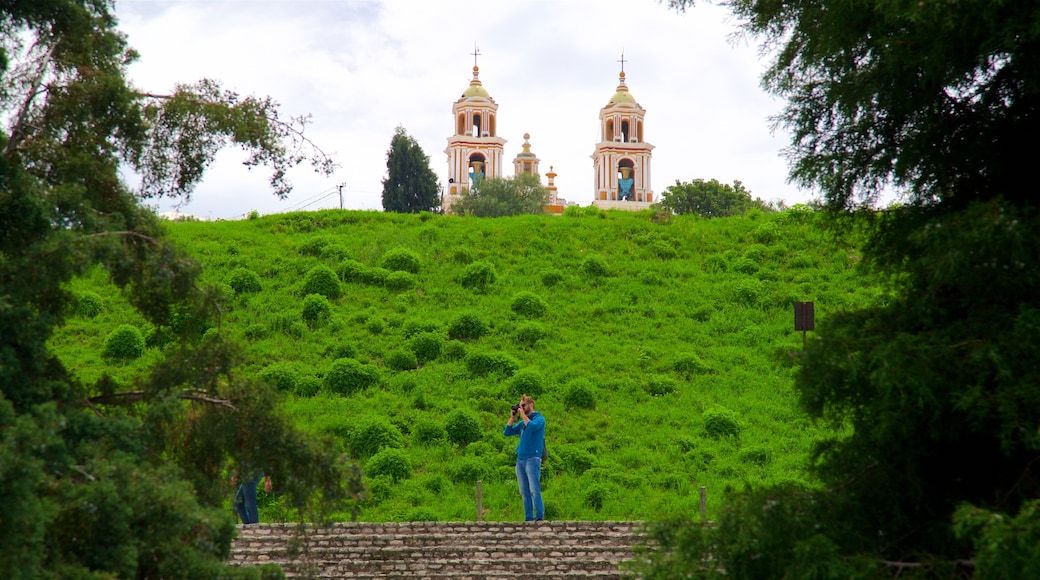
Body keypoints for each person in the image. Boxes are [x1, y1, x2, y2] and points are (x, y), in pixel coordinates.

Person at [503, 394, 545, 521]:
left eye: (523, 405)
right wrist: (513, 417)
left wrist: (523, 415)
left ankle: (539, 516)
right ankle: (528, 517)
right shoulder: (522, 424)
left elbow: (532, 427)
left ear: (530, 405)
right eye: (520, 405)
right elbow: (507, 432)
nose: (521, 407)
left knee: (534, 489)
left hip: (533, 458)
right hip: (521, 459)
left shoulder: (539, 419)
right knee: (524, 491)